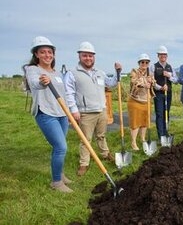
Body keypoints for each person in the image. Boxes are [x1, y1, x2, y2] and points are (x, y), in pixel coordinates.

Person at [64, 41, 121, 176]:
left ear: (94, 57)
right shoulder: (72, 73)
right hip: (85, 113)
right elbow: (68, 93)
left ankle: (105, 154)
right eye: (85, 56)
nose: (88, 58)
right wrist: (73, 110)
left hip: (101, 110)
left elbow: (111, 83)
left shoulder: (99, 73)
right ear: (79, 56)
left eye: (90, 56)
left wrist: (117, 72)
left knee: (101, 136)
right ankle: (84, 163)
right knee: (85, 140)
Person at [25, 36, 73, 192]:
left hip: (62, 114)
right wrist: (41, 82)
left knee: (59, 147)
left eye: (50, 52)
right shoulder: (32, 70)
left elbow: (64, 94)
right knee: (61, 147)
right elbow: (34, 83)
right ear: (36, 54)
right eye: (43, 52)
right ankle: (56, 182)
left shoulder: (57, 73)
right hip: (45, 113)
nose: (47, 55)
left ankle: (59, 173)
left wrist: (70, 114)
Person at [150, 46, 178, 145]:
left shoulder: (170, 67)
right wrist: (160, 87)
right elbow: (151, 81)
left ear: (167, 56)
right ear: (158, 56)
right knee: (159, 114)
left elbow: (176, 80)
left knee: (166, 113)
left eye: (165, 55)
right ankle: (160, 135)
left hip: (168, 94)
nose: (163, 56)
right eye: (161, 54)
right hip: (159, 94)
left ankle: (166, 132)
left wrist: (169, 76)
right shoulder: (153, 66)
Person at [128, 53, 155, 151]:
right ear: (139, 63)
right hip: (135, 101)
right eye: (142, 62)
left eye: (146, 62)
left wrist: (152, 82)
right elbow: (134, 82)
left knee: (145, 121)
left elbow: (154, 82)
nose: (144, 64)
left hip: (146, 101)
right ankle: (133, 142)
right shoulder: (134, 71)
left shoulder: (149, 73)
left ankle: (143, 139)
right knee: (135, 122)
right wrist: (144, 84)